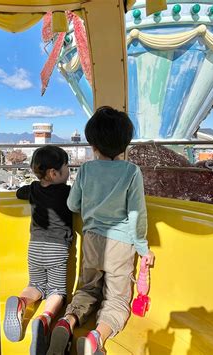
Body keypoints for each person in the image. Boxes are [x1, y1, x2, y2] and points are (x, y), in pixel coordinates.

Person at [47, 106, 155, 355]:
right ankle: (97, 338)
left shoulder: (85, 169)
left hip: (92, 240)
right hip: (121, 244)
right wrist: (142, 247)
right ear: (124, 145)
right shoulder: (131, 172)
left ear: (93, 144)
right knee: (117, 298)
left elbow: (72, 204)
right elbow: (137, 215)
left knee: (87, 289)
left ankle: (67, 322)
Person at [3, 145, 73, 355]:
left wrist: (34, 187)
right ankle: (44, 320)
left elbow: (18, 192)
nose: (69, 170)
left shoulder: (33, 188)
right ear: (54, 173)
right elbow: (80, 203)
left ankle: (22, 303)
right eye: (67, 166)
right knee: (56, 291)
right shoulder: (67, 192)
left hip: (35, 247)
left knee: (35, 285)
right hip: (57, 249)